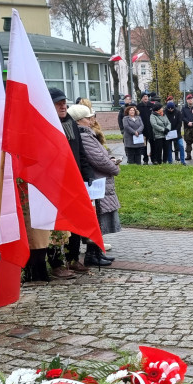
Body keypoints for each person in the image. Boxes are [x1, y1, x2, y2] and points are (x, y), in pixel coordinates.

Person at [46, 87, 95, 276]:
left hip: (74, 181)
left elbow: (80, 151)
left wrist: (87, 173)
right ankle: (57, 263)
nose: (63, 105)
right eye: (58, 103)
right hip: (54, 184)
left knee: (76, 223)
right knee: (57, 226)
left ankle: (74, 259)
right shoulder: (47, 124)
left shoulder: (70, 123)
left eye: (64, 102)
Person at [68, 104, 118, 266]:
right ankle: (92, 255)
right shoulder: (84, 136)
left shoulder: (88, 134)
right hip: (95, 181)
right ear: (78, 120)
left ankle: (97, 252)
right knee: (96, 219)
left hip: (99, 181)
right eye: (88, 118)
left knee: (98, 218)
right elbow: (97, 158)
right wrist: (114, 167)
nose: (91, 121)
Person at [166, 98, 185, 165]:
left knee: (181, 145)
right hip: (168, 132)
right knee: (169, 147)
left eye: (172, 109)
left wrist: (176, 131)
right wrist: (167, 130)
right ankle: (170, 161)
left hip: (177, 132)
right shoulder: (165, 113)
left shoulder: (178, 112)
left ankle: (183, 161)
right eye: (169, 109)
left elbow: (179, 123)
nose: (171, 110)